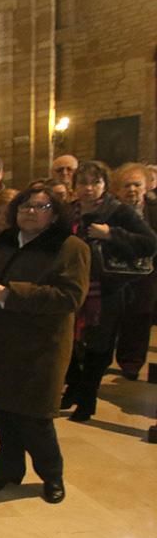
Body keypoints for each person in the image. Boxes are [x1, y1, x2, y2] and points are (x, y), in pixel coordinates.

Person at [0, 183, 90, 504]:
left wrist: (11, 293)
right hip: (0, 343)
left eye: (40, 207)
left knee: (35, 418)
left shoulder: (70, 247)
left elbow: (70, 296)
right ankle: (8, 470)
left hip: (40, 347)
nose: (30, 212)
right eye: (24, 207)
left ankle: (51, 476)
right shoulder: (2, 243)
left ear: (54, 214)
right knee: (4, 415)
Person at [62, 161, 157, 419]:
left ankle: (87, 399)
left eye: (95, 182)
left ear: (104, 185)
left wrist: (111, 235)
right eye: (83, 182)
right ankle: (75, 387)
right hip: (74, 283)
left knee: (98, 346)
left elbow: (149, 243)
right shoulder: (70, 212)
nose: (89, 188)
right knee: (69, 341)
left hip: (106, 289)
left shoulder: (118, 211)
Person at [112, 163, 157, 380]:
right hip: (116, 272)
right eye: (126, 185)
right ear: (117, 190)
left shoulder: (153, 211)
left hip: (147, 273)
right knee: (112, 317)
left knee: (139, 317)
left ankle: (131, 362)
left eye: (136, 185)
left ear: (146, 186)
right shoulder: (111, 212)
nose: (132, 190)